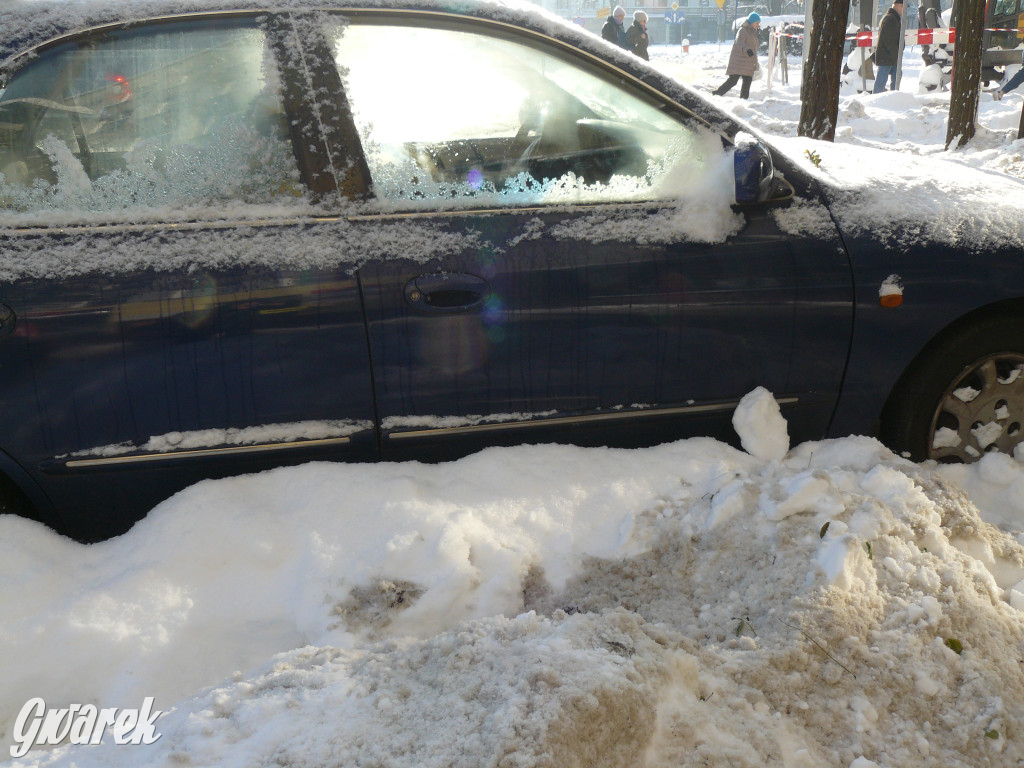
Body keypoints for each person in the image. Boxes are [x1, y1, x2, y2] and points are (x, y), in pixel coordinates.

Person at [712, 12, 761, 99]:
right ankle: (716, 94)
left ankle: (743, 100)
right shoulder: (743, 30)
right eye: (757, 22)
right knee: (733, 80)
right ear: (752, 22)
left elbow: (754, 49)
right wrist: (747, 49)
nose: (758, 25)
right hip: (738, 61)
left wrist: (755, 63)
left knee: (747, 81)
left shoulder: (753, 33)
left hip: (748, 62)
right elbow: (739, 42)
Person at [872, 0, 904, 93]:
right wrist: (896, 54)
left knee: (895, 77)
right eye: (903, 7)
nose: (903, 11)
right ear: (899, 6)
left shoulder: (892, 17)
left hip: (889, 56)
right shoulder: (891, 19)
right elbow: (889, 40)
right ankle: (877, 98)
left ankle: (892, 97)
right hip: (888, 56)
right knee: (881, 82)